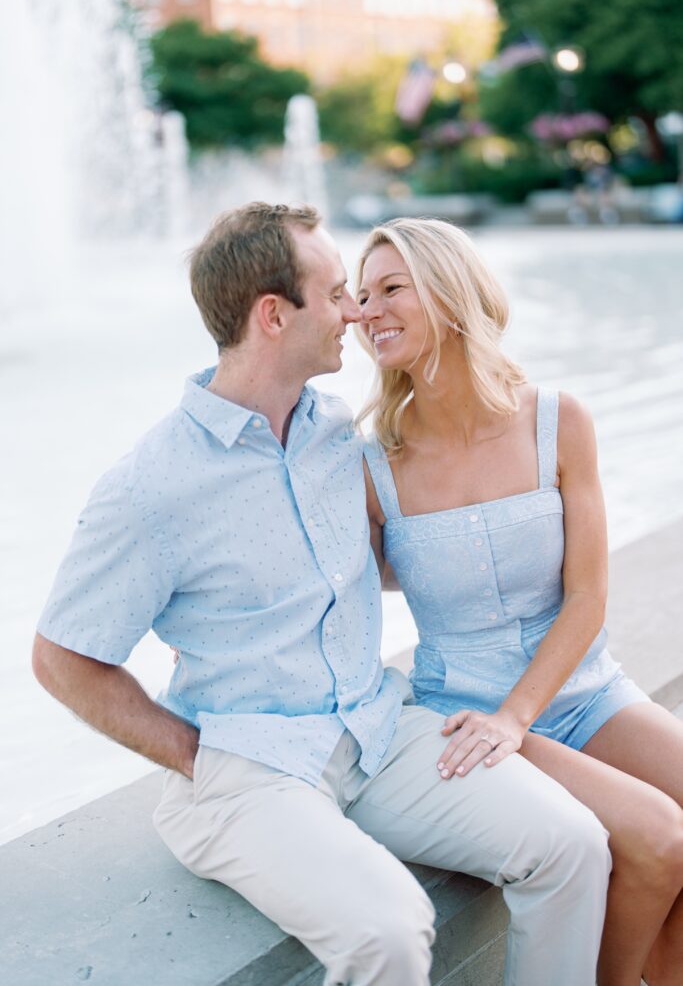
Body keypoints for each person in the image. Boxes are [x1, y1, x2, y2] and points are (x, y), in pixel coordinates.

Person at [32, 203, 611, 986]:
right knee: (389, 932)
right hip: (248, 772)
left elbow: (407, 546)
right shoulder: (152, 484)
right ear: (273, 314)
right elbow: (62, 655)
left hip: (372, 732)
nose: (355, 312)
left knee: (573, 845)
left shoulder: (334, 432)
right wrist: (192, 754)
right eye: (336, 293)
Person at [357, 216, 683, 986]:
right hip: (470, 711)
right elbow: (328, 583)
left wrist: (521, 711)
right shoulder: (370, 464)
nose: (366, 311)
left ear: (450, 291)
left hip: (585, 692)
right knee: (662, 839)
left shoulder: (557, 420)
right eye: (361, 295)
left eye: (390, 288)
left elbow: (587, 593)